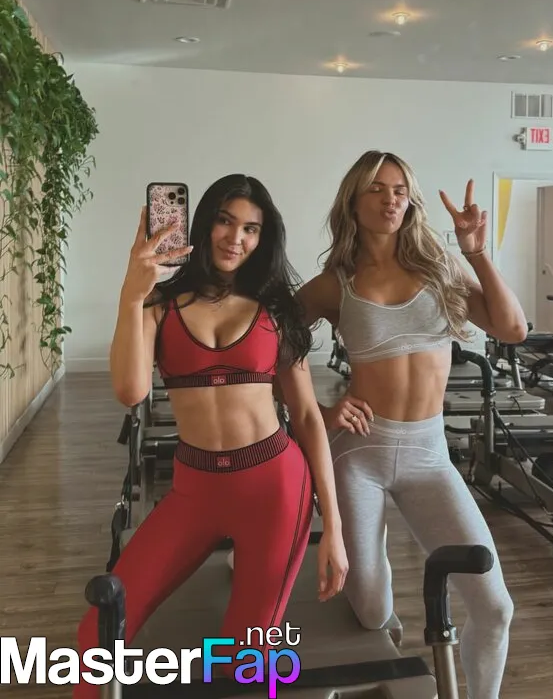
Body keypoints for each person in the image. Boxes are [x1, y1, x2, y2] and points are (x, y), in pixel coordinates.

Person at [75, 174, 348, 698]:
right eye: (225, 221)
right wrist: (131, 292)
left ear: (263, 238)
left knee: (242, 660)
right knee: (96, 636)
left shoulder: (275, 309)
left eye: (250, 228)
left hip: (275, 490)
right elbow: (130, 391)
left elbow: (307, 417)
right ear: (202, 223)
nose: (235, 238)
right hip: (194, 490)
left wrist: (333, 528)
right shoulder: (157, 305)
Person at [294, 151, 528, 699]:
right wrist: (317, 412)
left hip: (429, 455)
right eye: (377, 189)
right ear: (353, 202)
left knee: (495, 608)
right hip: (359, 454)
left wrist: (476, 254)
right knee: (372, 612)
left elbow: (512, 328)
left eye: (399, 189)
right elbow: (273, 349)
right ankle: (379, 608)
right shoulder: (335, 284)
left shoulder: (439, 266)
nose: (391, 199)